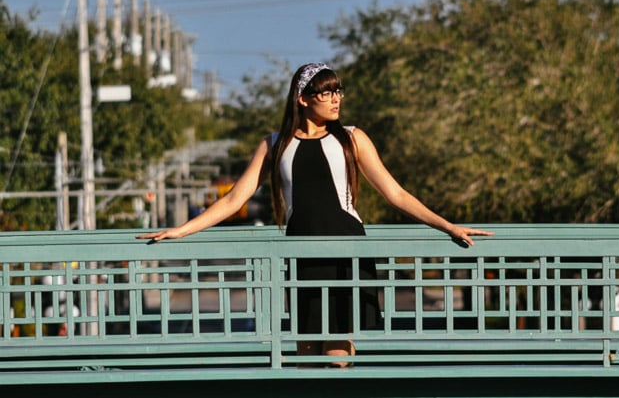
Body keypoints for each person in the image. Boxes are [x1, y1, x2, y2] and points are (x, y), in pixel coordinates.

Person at [136, 62, 494, 367]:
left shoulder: (352, 138)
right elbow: (234, 200)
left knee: (337, 353)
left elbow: (395, 193)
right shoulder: (274, 144)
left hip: (347, 255)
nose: (337, 98)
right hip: (302, 256)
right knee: (305, 353)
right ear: (303, 99)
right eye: (327, 92)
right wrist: (182, 230)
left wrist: (446, 225)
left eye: (338, 90)